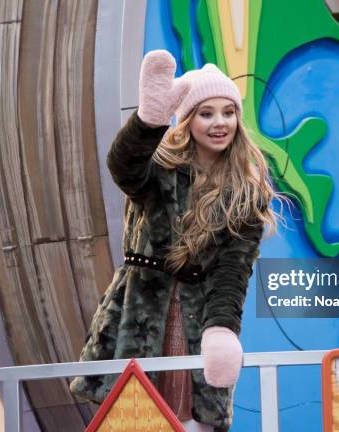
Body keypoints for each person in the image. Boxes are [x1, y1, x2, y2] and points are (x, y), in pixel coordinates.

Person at [70, 50, 279, 432]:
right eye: (206, 113)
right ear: (188, 120)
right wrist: (148, 121)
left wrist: (221, 329)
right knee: (129, 416)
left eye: (228, 112)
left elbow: (234, 270)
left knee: (190, 419)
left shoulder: (247, 193)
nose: (220, 123)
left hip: (197, 320)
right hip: (138, 313)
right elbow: (123, 166)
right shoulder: (159, 170)